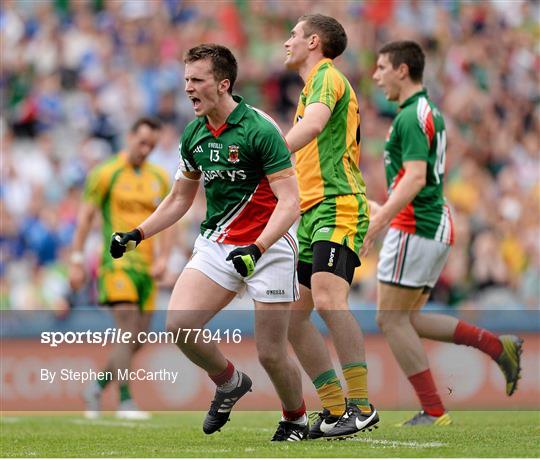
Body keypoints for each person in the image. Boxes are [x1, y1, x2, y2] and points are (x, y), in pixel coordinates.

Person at [109, 44, 309, 441]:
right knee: (179, 324)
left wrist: (257, 249)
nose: (188, 88)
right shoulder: (194, 134)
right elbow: (180, 199)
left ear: (223, 84)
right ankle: (230, 381)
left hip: (268, 245)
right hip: (218, 242)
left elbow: (291, 203)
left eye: (196, 80)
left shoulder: (260, 129)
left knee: (271, 352)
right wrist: (138, 234)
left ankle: (295, 419)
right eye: (186, 79)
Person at [366, 40, 523, 426]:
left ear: (403, 70)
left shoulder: (409, 116)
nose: (376, 75)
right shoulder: (424, 110)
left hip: (415, 225)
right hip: (430, 223)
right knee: (409, 318)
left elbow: (417, 177)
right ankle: (496, 345)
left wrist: (382, 216)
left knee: (390, 319)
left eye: (382, 67)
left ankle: (434, 410)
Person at [283, 14, 379, 439]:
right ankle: (336, 410)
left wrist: (263, 153)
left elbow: (315, 125)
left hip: (337, 204)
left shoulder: (326, 77)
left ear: (314, 42)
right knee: (293, 320)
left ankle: (360, 406)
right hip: (311, 211)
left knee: (327, 299)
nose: (288, 42)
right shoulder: (311, 86)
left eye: (294, 35)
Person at [69, 117, 171, 420]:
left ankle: (97, 387)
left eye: (151, 145)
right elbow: (85, 217)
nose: (145, 149)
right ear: (128, 137)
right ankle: (125, 399)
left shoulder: (160, 178)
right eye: (141, 142)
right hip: (117, 265)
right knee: (127, 327)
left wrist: (164, 257)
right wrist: (76, 259)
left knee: (137, 339)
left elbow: (168, 223)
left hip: (147, 269)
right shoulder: (105, 173)